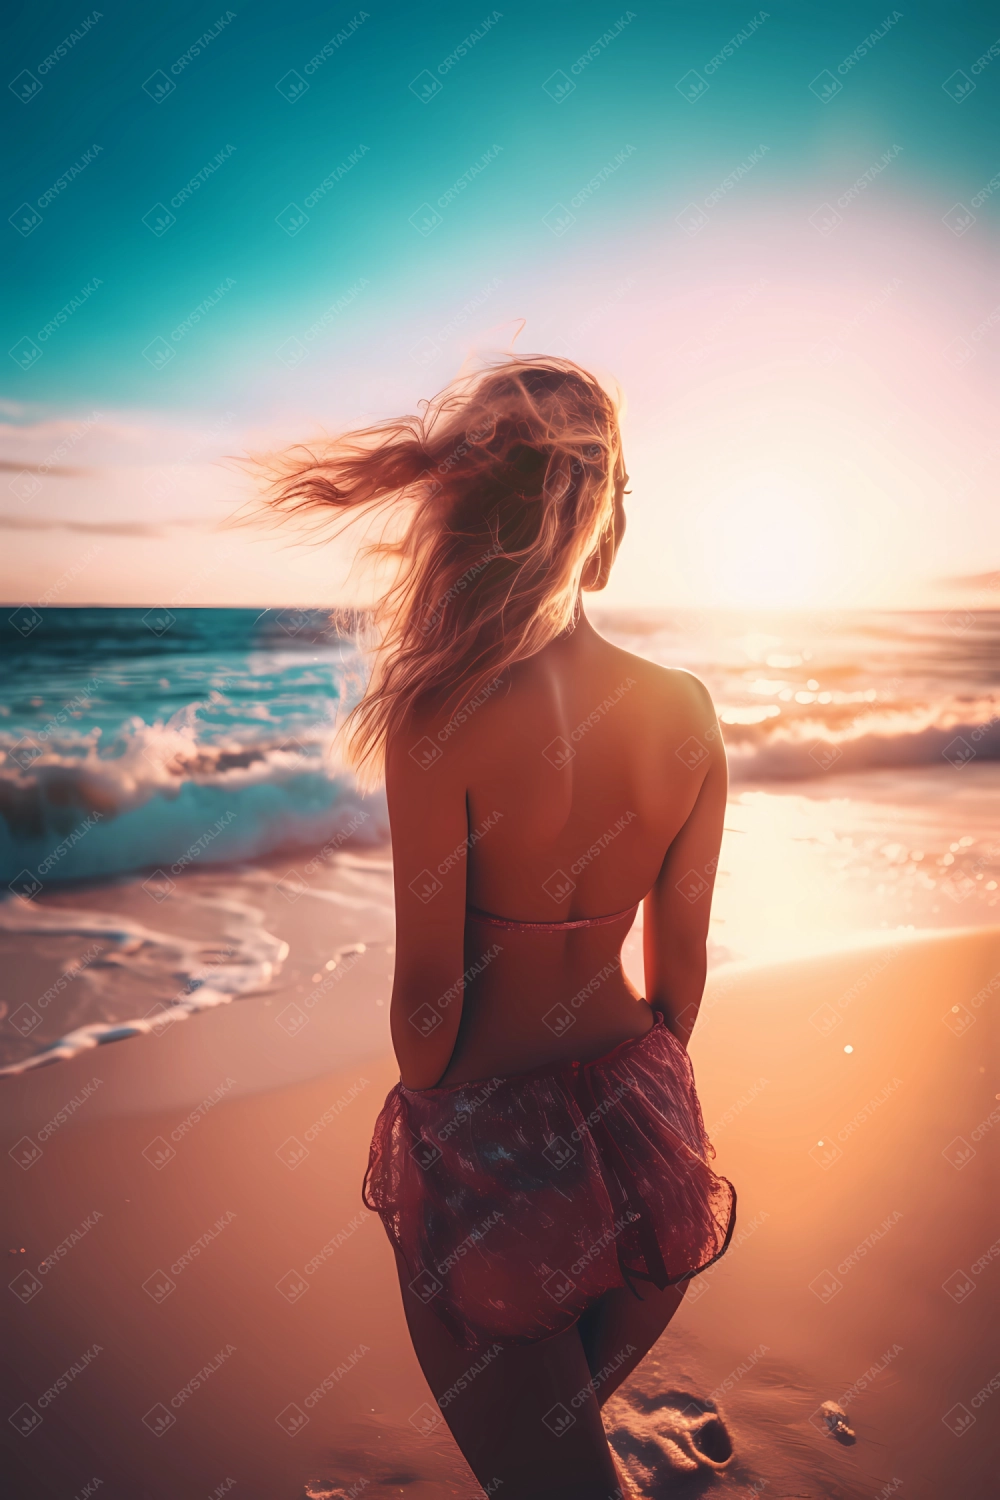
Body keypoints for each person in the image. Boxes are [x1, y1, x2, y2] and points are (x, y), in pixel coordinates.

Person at [261, 355, 735, 1499]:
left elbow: (425, 1026)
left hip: (497, 1173)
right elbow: (681, 986)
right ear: (602, 530)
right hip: (648, 1143)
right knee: (561, 1453)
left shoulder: (438, 712)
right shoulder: (685, 709)